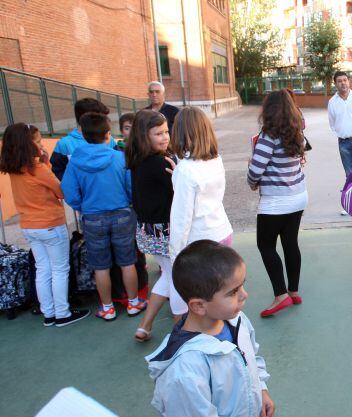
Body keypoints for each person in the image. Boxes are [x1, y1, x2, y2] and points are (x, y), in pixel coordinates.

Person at [145, 240, 274, 417]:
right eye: (233, 292)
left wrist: (261, 390)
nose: (245, 294)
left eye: (243, 284)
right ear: (198, 306)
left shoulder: (238, 320)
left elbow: (252, 358)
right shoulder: (185, 370)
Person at [0, 123, 90, 327]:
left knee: (43, 269)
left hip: (29, 226)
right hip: (50, 223)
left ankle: (48, 313)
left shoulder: (14, 170)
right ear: (28, 144)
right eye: (38, 141)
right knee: (59, 269)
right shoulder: (38, 169)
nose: (41, 145)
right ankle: (62, 313)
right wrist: (46, 164)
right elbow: (61, 192)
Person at [61, 112, 144, 321]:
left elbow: (69, 192)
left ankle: (107, 308)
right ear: (108, 134)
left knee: (100, 265)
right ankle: (133, 303)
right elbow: (131, 187)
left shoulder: (75, 162)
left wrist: (84, 206)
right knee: (127, 261)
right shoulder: (119, 157)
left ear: (84, 134)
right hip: (122, 213)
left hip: (92, 217)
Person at [247, 90, 308, 317]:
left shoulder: (268, 136)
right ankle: (293, 291)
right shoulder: (297, 133)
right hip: (298, 196)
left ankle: (280, 294)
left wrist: (252, 182)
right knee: (290, 243)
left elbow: (255, 170)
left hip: (275, 201)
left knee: (266, 246)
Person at [125, 110, 184, 342]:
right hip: (166, 232)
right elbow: (181, 194)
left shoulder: (137, 160)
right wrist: (178, 173)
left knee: (169, 277)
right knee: (178, 280)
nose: (165, 137)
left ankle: (145, 325)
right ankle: (181, 332)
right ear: (143, 136)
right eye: (158, 133)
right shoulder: (161, 164)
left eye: (166, 131)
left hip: (148, 232)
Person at [168, 107, 234, 262]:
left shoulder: (185, 170)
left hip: (201, 242)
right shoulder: (216, 159)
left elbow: (181, 219)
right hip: (222, 231)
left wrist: (175, 255)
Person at [50, 98, 117, 179]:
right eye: (101, 118)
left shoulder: (109, 138)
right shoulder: (64, 144)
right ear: (87, 118)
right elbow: (57, 171)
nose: (106, 121)